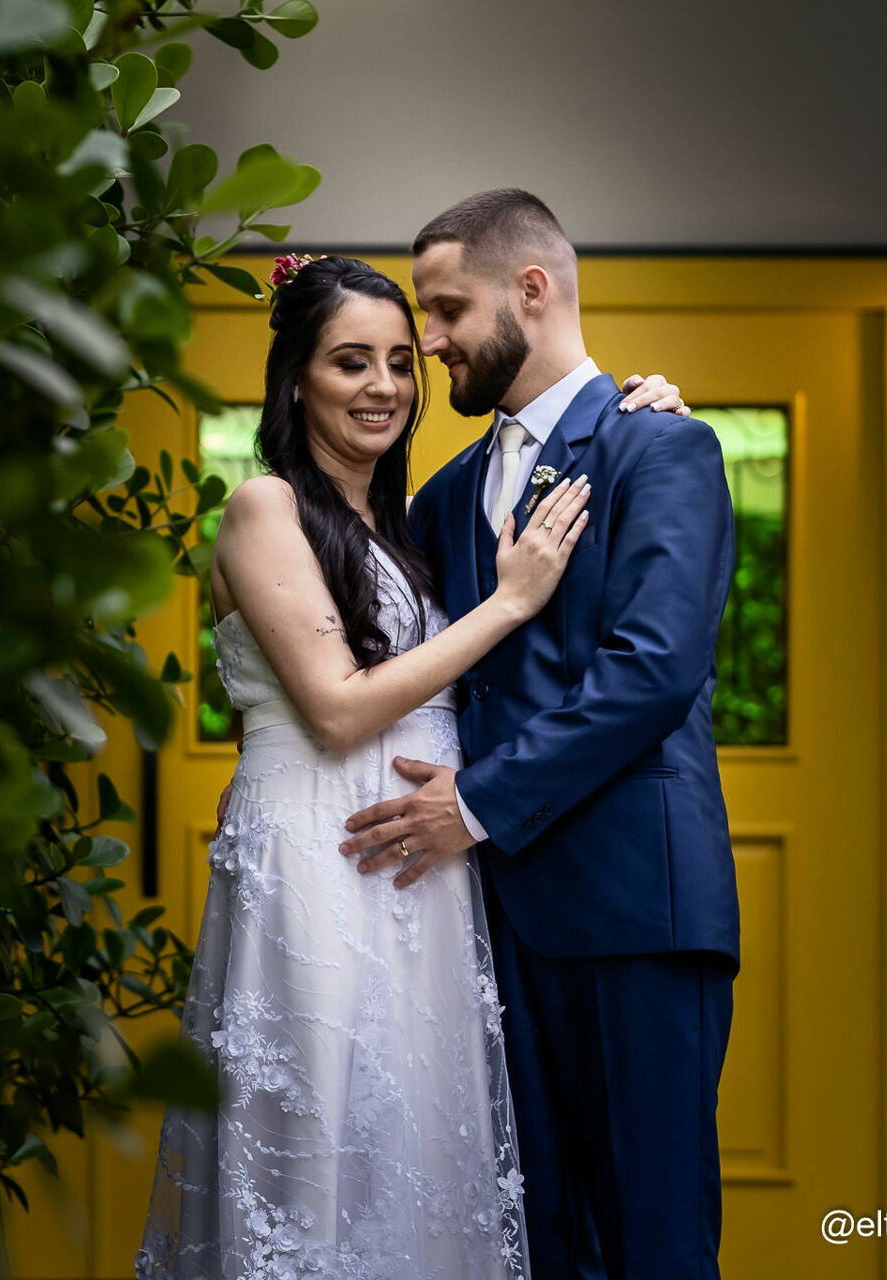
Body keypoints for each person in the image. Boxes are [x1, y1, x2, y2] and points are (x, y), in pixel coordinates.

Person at [134, 252, 688, 1280]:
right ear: (296, 379)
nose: (384, 384)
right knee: (318, 1154)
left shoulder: (416, 521)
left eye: (400, 361)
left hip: (429, 881)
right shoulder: (264, 508)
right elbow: (338, 707)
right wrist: (510, 602)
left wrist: (633, 413)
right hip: (324, 863)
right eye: (351, 362)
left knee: (421, 1162)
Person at [337, 191, 739, 1280]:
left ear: (531, 289)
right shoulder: (444, 495)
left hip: (635, 914)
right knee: (536, 1246)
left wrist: (472, 805)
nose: (429, 341)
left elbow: (654, 671)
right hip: (488, 927)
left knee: (653, 1242)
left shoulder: (663, 447)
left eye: (446, 309)